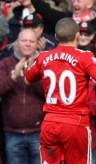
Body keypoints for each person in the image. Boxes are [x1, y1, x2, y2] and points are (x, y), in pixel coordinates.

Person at [25, 17, 96, 163]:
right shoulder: (84, 57)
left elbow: (27, 78)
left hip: (50, 122)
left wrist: (38, 61)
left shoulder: (43, 57)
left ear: (56, 37)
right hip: (75, 123)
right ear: (77, 35)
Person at [0, 29, 43, 164]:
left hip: (39, 132)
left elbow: (50, 94)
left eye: (31, 41)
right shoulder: (5, 64)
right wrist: (13, 76)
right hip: (12, 132)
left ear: (37, 44)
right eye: (24, 41)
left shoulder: (44, 63)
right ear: (17, 44)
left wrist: (33, 78)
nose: (28, 44)